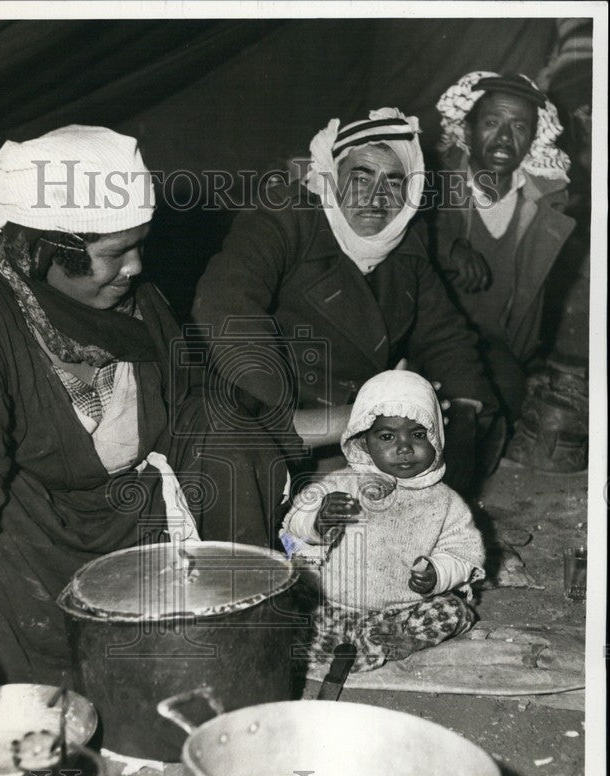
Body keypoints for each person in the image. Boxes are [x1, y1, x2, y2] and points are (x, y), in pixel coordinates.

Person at [0, 125, 288, 737]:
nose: (136, 267)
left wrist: (343, 425)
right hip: (30, 550)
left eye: (139, 245)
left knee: (229, 433)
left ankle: (243, 644)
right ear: (42, 250)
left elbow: (197, 407)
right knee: (53, 729)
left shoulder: (135, 302)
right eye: (115, 252)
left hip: (130, 527)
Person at [192, 107, 499, 489]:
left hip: (369, 423)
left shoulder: (407, 240)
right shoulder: (283, 220)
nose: (376, 198)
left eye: (393, 181)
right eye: (360, 177)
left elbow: (444, 334)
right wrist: (289, 422)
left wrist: (466, 410)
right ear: (330, 178)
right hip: (289, 419)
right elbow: (224, 307)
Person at [280, 370, 485, 671]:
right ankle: (328, 642)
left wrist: (438, 572)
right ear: (363, 441)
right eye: (387, 436)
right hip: (332, 605)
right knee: (285, 603)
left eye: (418, 434)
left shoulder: (445, 502)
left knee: (454, 610)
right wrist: (318, 522)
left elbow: (463, 554)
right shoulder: (339, 484)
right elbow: (293, 525)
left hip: (400, 614)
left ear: (437, 439)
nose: (404, 447)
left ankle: (406, 641)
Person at [433, 72, 575, 424]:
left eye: (519, 127)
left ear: (533, 139)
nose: (504, 138)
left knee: (499, 404)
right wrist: (446, 247)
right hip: (434, 341)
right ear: (467, 130)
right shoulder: (432, 189)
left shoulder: (545, 207)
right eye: (492, 122)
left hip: (499, 350)